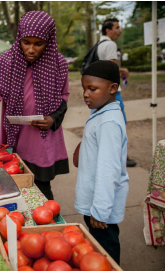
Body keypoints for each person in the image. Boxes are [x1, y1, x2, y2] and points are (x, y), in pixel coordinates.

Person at [0, 11, 70, 200]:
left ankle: (47, 219)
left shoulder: (59, 64)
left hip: (43, 135)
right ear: (19, 39)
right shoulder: (3, 64)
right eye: (26, 43)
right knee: (14, 180)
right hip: (15, 133)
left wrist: (53, 118)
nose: (31, 49)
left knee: (41, 186)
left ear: (48, 41)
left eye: (38, 44)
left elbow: (64, 95)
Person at [74, 60, 129, 264]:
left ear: (113, 88)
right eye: (84, 89)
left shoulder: (109, 122)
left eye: (92, 89)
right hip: (95, 202)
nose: (86, 94)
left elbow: (109, 170)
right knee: (98, 246)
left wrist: (100, 210)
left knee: (106, 250)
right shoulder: (100, 112)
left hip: (101, 207)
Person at [98, 18, 136, 167]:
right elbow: (113, 69)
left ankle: (106, 155)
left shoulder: (99, 44)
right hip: (113, 92)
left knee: (103, 123)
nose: (120, 31)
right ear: (108, 30)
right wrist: (123, 70)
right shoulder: (111, 44)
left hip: (101, 91)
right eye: (117, 27)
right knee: (119, 124)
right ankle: (121, 157)